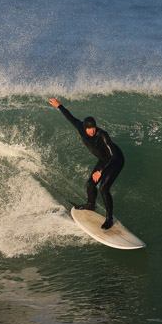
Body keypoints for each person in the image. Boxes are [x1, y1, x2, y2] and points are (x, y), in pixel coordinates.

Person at [47, 98, 124, 230]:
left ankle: (109, 219)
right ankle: (90, 204)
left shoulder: (102, 135)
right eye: (89, 129)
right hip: (103, 160)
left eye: (93, 128)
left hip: (115, 161)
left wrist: (100, 171)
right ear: (85, 128)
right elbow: (70, 118)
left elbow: (113, 155)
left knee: (104, 188)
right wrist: (59, 105)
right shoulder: (81, 128)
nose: (92, 131)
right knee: (90, 184)